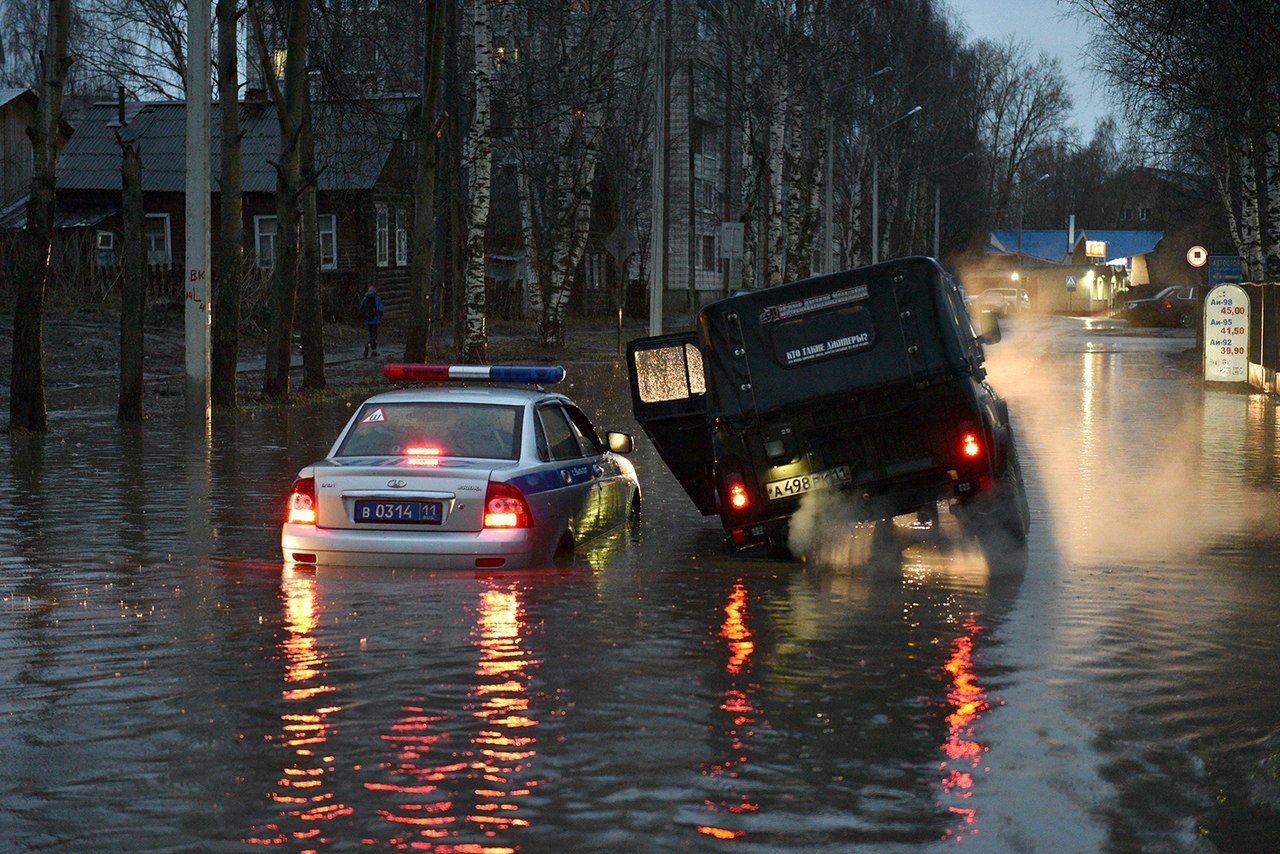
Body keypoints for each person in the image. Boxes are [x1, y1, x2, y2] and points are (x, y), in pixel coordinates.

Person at [360, 284, 385, 358]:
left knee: (371, 335)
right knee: (374, 336)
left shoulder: (365, 299)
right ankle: (368, 345)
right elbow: (381, 310)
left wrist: (365, 317)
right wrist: (379, 317)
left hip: (368, 320)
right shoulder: (377, 298)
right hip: (375, 320)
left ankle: (374, 351)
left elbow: (361, 308)